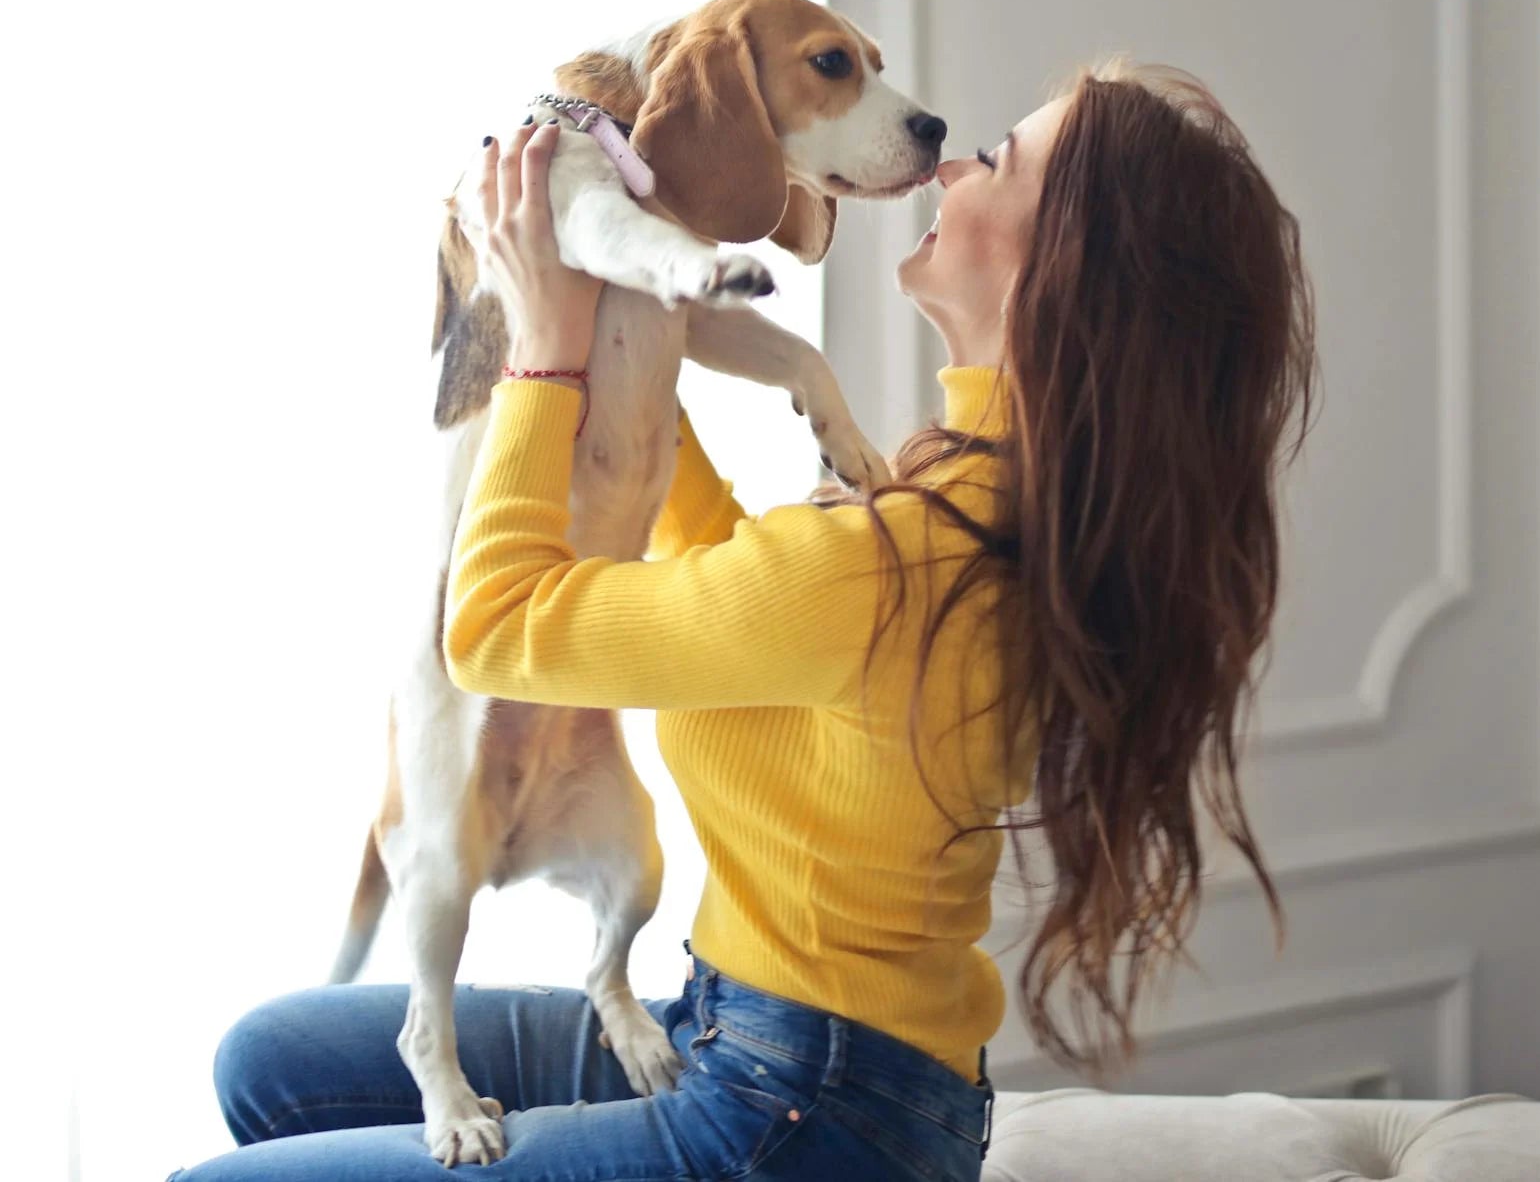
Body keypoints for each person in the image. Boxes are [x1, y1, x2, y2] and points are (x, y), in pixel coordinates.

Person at [169, 57, 1317, 1181]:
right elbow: (733, 577)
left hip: (799, 1118)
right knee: (273, 1063)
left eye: (998, 162)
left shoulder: (896, 553)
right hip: (796, 1054)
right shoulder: (991, 495)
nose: (953, 167)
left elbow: (496, 629)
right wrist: (626, 322)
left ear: (1059, 265)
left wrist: (542, 353)